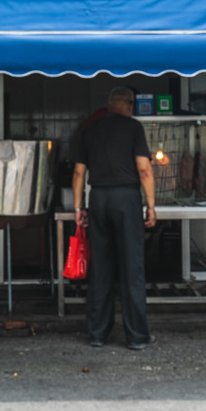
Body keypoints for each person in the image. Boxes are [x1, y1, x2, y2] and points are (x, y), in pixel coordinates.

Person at [72, 86, 157, 350]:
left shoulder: (90, 130)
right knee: (132, 268)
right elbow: (144, 169)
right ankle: (137, 337)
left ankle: (98, 334)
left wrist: (79, 208)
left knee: (100, 267)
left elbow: (78, 173)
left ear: (109, 105)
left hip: (98, 199)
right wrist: (151, 205)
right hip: (126, 199)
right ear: (130, 106)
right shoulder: (133, 128)